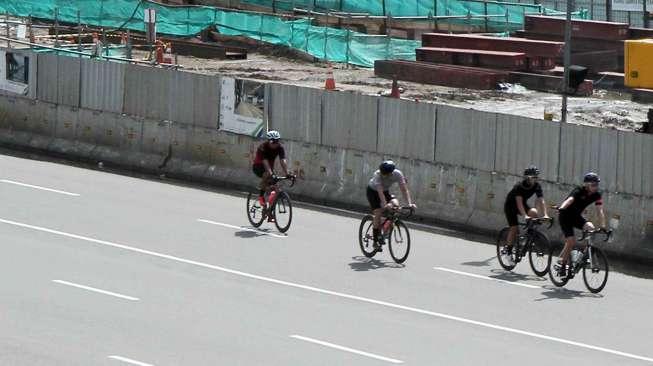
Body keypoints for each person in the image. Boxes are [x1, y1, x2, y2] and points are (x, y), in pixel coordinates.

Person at [555, 172, 606, 276]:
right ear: (586, 185)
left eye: (597, 184)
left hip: (576, 217)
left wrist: (603, 226)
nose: (596, 187)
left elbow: (599, 211)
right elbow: (570, 200)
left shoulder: (597, 194)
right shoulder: (578, 190)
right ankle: (563, 265)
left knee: (591, 227)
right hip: (565, 216)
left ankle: (584, 253)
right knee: (571, 241)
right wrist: (562, 207)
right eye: (593, 185)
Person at [502, 165, 549, 262]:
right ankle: (508, 251)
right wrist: (525, 216)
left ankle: (528, 236)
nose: (536, 179)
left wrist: (545, 214)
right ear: (527, 177)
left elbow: (541, 200)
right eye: (533, 177)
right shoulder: (519, 186)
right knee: (514, 229)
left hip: (522, 204)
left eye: (537, 177)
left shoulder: (537, 186)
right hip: (511, 206)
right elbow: (519, 203)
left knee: (534, 213)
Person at [366, 160, 417, 249]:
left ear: (390, 173)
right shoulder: (377, 175)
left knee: (396, 205)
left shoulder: (398, 174)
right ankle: (375, 241)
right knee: (378, 213)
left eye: (385, 174)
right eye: (382, 173)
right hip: (373, 192)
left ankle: (386, 230)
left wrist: (409, 204)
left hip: (385, 191)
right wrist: (386, 205)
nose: (382, 175)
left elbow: (404, 189)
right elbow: (380, 192)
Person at [252, 130, 290, 212]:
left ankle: (269, 210)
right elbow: (265, 162)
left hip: (269, 167)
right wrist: (271, 173)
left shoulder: (280, 147)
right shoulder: (263, 147)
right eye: (273, 141)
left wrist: (287, 173)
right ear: (269, 141)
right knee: (267, 175)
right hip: (258, 166)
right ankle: (261, 196)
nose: (275, 144)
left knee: (275, 187)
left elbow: (283, 160)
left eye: (277, 141)